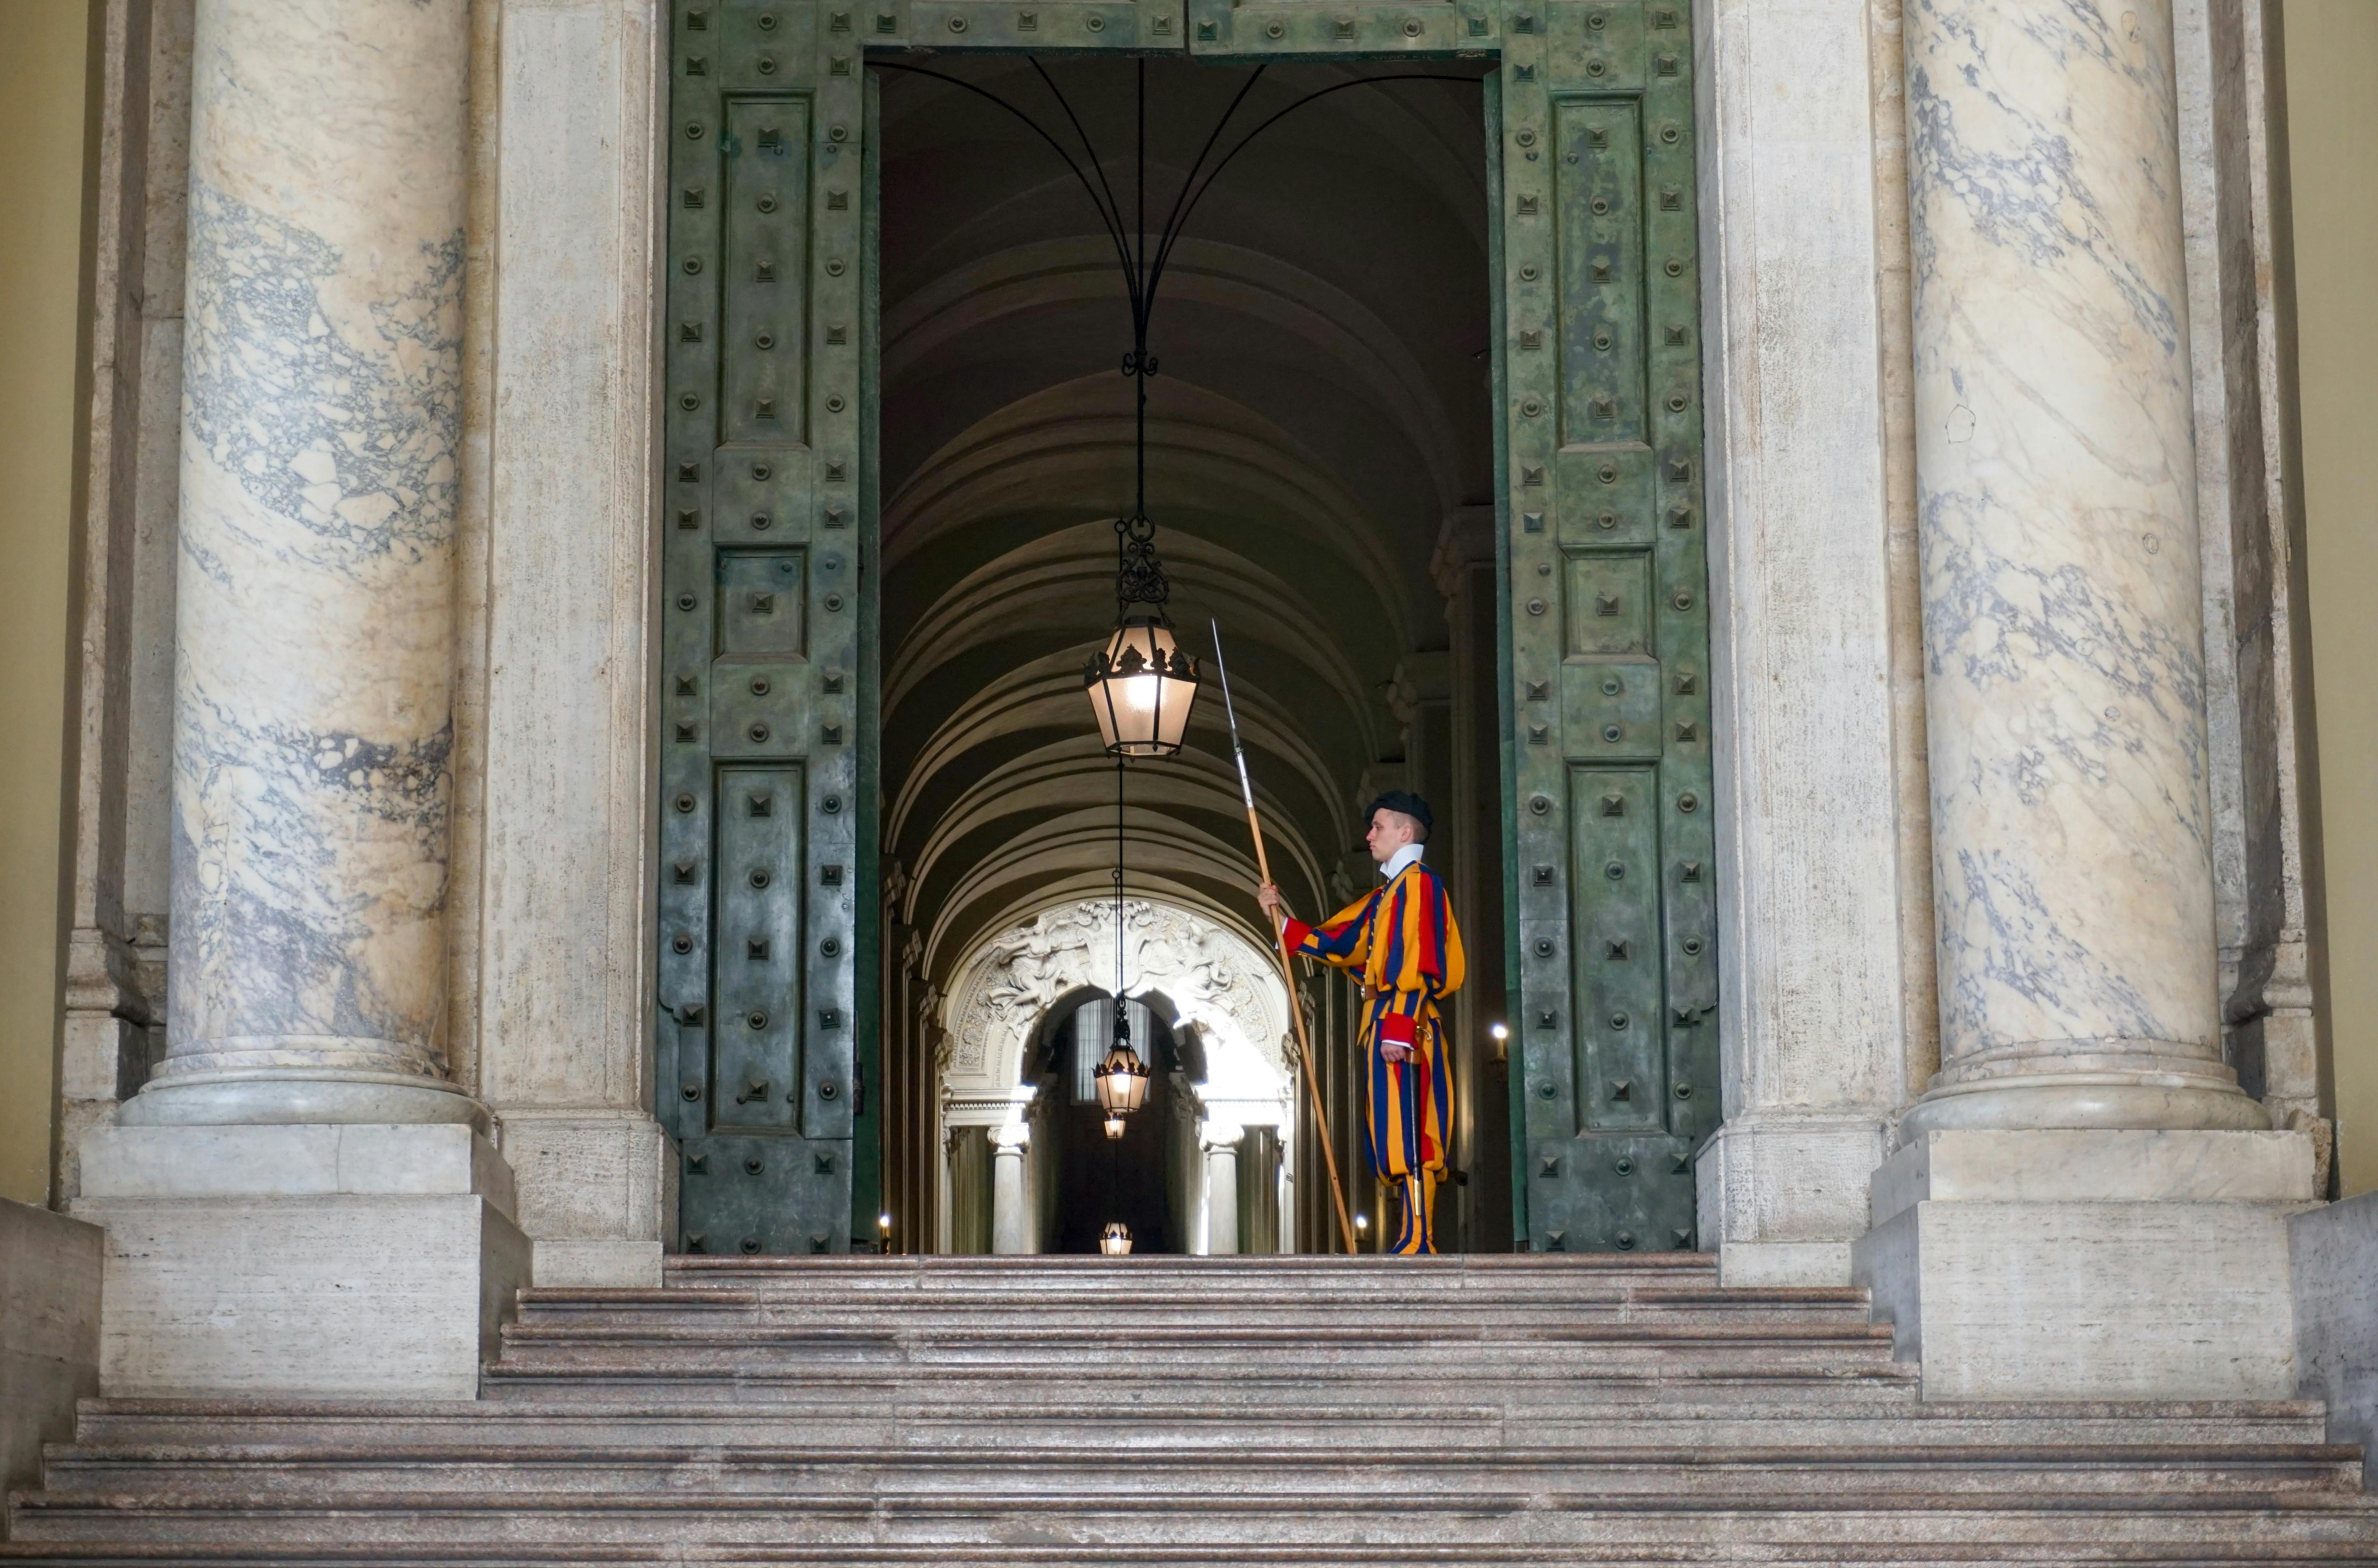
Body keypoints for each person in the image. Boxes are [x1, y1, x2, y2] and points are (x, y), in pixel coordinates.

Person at [1258, 790, 1465, 1255]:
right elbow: (1341, 944)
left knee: (1412, 1130)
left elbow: (1425, 959)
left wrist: (1401, 1026)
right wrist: (1280, 919)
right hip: (1382, 1023)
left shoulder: (1421, 885)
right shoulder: (1385, 895)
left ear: (1405, 832)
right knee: (1390, 1134)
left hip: (1404, 1025)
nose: (1369, 835)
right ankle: (1409, 1233)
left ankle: (1420, 1237)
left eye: (1379, 827)